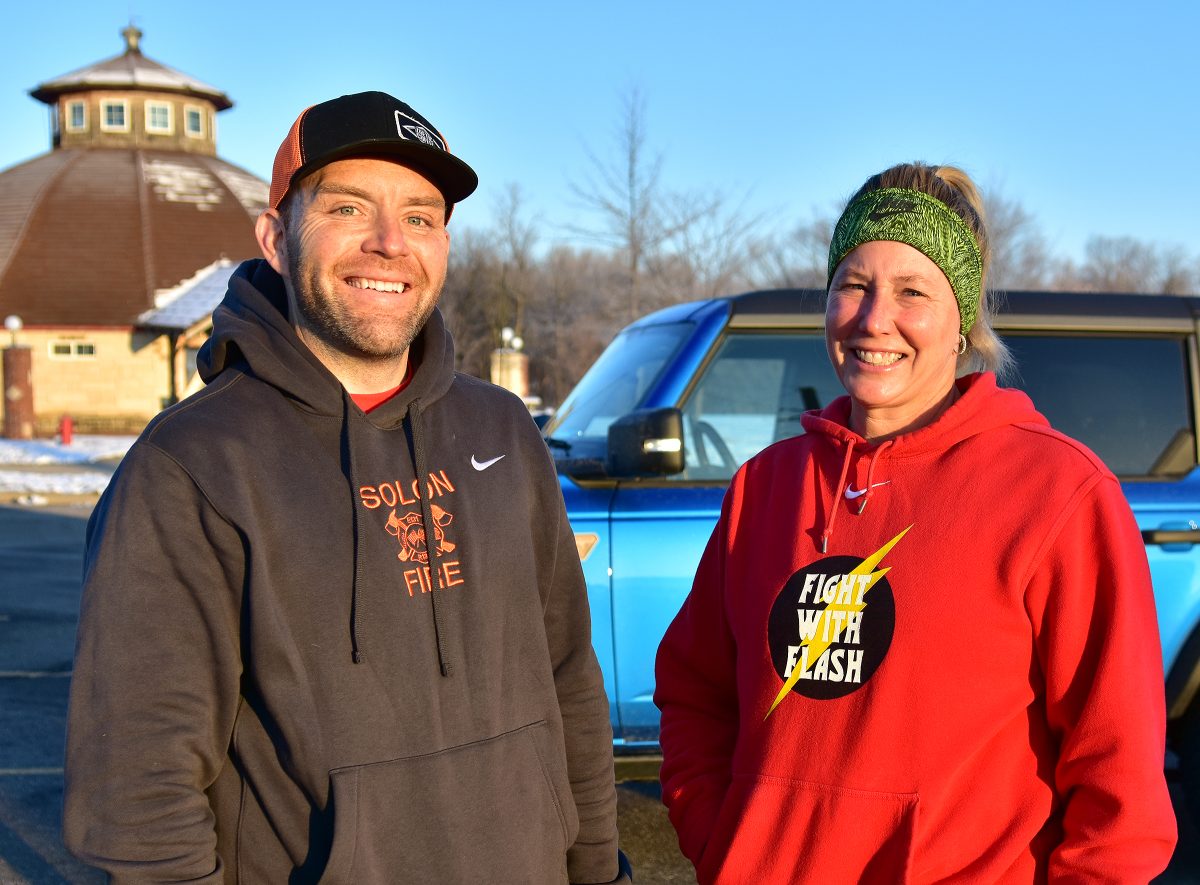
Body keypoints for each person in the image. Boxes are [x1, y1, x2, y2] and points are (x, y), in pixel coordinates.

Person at [63, 90, 632, 884]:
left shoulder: (504, 433)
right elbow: (138, 788)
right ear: (275, 236)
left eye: (422, 216)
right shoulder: (191, 466)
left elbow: (570, 679)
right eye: (347, 206)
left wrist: (599, 871)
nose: (390, 242)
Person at [654, 162, 1177, 882]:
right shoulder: (764, 487)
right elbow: (692, 689)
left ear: (961, 318)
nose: (874, 320)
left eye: (911, 292)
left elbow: (1119, 788)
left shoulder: (1058, 493)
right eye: (854, 285)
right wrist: (722, 840)